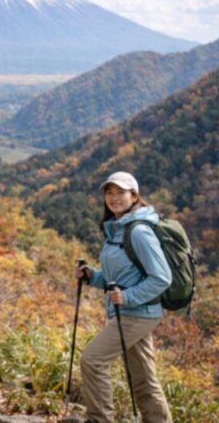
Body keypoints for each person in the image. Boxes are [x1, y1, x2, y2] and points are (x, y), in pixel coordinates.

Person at [75, 171, 172, 423]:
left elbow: (162, 278)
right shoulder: (118, 229)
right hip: (129, 312)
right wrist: (91, 276)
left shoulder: (139, 232)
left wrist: (127, 297)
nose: (114, 198)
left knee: (93, 360)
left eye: (121, 192)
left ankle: (100, 419)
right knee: (144, 379)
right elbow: (118, 278)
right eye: (110, 192)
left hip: (137, 313)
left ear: (134, 196)